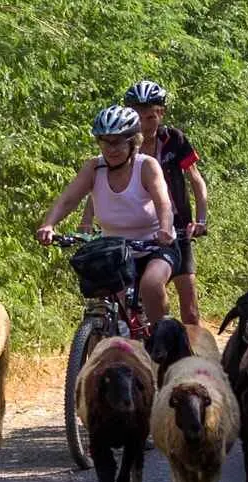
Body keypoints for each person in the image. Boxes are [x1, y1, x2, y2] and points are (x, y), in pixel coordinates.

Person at [36, 105, 179, 324]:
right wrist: (49, 224)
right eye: (105, 141)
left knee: (150, 284)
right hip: (115, 251)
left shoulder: (147, 166)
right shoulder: (94, 168)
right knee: (110, 300)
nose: (111, 149)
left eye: (118, 142)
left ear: (133, 142)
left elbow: (163, 203)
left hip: (154, 246)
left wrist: (165, 228)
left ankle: (163, 342)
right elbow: (68, 199)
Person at [121, 80, 209, 326]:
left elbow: (196, 180)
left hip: (176, 225)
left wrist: (200, 220)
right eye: (137, 116)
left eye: (150, 116)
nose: (144, 123)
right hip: (136, 225)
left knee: (189, 304)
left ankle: (191, 359)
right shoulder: (123, 144)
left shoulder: (174, 140)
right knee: (127, 303)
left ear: (161, 113)